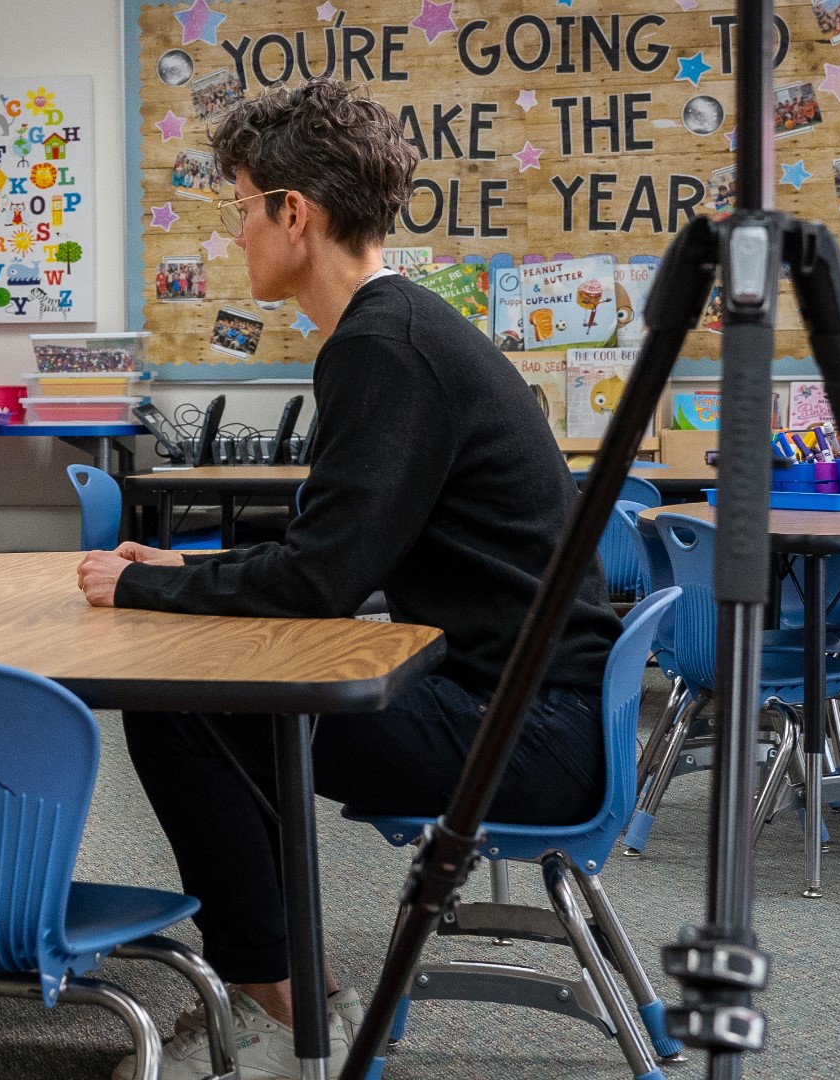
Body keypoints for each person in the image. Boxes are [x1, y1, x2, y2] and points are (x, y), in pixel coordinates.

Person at [76, 78, 621, 1080]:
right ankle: (291, 973)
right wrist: (191, 566)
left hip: (530, 735)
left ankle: (276, 988)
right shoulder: (396, 327)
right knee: (235, 700)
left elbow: (318, 582)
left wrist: (148, 590)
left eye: (242, 207)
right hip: (536, 706)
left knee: (186, 705)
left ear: (297, 213)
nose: (237, 233)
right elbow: (334, 547)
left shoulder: (382, 348)